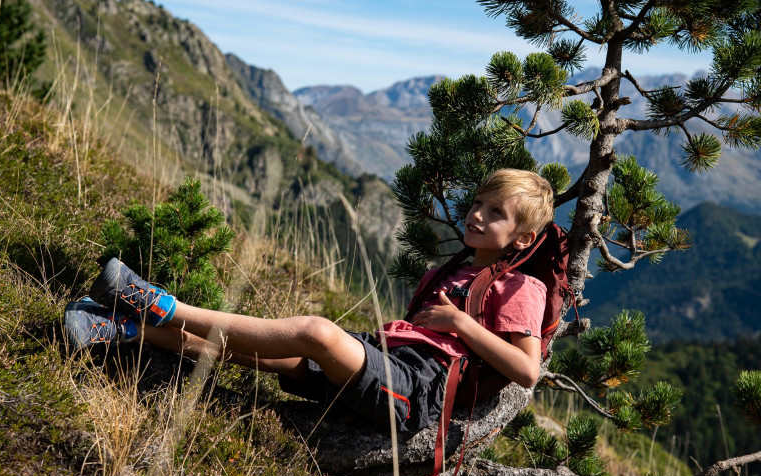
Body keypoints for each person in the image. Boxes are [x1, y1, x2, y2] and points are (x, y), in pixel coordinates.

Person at [65, 168, 553, 433]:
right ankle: (122, 329)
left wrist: (460, 325)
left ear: (521, 239)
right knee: (254, 349)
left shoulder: (523, 288)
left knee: (316, 332)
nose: (476, 215)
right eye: (477, 204)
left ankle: (158, 304)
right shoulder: (451, 270)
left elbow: (527, 372)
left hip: (416, 393)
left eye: (496, 212)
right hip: (389, 359)